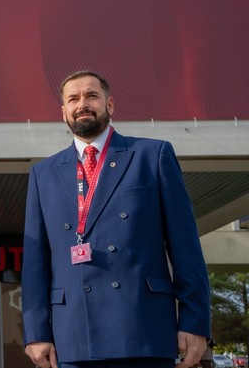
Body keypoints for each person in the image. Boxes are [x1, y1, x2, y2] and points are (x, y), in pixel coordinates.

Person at [22, 70, 211, 368]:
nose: (82, 104)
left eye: (91, 96)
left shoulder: (152, 155)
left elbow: (185, 247)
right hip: (73, 336)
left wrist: (195, 322)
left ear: (109, 104)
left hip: (144, 330)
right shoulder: (42, 174)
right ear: (63, 111)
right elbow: (35, 263)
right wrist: (35, 333)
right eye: (73, 99)